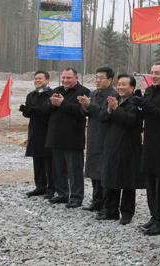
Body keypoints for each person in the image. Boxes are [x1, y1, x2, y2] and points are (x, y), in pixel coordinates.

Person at [129, 61, 160, 236]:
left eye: (157, 73)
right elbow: (146, 113)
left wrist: (146, 105)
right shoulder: (150, 90)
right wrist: (138, 104)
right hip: (149, 142)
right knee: (149, 181)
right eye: (152, 73)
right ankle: (154, 216)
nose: (154, 76)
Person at [97, 74, 145, 225]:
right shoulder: (114, 98)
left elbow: (130, 120)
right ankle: (110, 211)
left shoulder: (136, 102)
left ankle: (127, 213)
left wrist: (116, 109)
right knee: (111, 178)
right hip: (112, 144)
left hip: (130, 146)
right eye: (120, 84)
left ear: (132, 88)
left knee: (128, 181)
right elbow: (102, 117)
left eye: (125, 85)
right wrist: (110, 111)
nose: (121, 87)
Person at [44, 68, 90, 208]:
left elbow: (81, 111)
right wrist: (52, 104)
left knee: (74, 170)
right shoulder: (56, 90)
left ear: (76, 78)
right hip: (56, 137)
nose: (65, 80)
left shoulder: (83, 92)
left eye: (68, 78)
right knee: (58, 168)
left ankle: (76, 197)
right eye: (63, 77)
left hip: (73, 138)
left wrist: (62, 104)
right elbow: (44, 110)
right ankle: (62, 193)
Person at [78, 67, 119, 212]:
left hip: (106, 136)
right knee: (93, 168)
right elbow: (86, 112)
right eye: (96, 77)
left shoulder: (114, 95)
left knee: (104, 171)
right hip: (93, 135)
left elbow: (105, 114)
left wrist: (90, 105)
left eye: (101, 78)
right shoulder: (93, 93)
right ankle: (96, 200)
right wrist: (85, 105)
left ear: (110, 80)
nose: (98, 80)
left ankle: (106, 202)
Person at [20, 70, 55, 199]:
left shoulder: (52, 94)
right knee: (37, 160)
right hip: (35, 131)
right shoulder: (31, 95)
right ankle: (40, 186)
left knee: (48, 161)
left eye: (40, 78)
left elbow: (49, 111)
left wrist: (37, 110)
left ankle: (51, 187)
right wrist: (26, 111)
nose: (37, 80)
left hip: (47, 130)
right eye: (35, 78)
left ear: (47, 80)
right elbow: (29, 111)